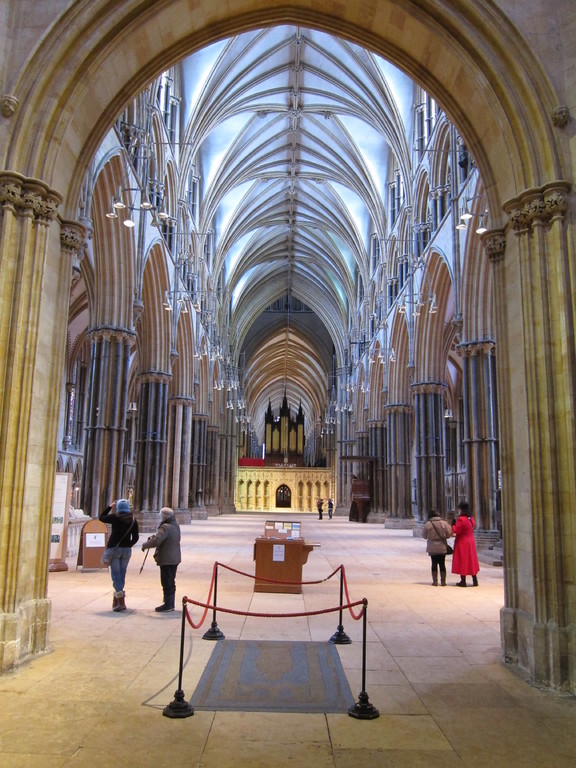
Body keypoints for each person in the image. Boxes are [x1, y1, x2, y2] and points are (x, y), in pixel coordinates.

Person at [99, 498, 139, 611]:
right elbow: (136, 537)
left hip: (115, 549)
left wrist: (109, 507)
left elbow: (101, 517)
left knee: (116, 574)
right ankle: (117, 599)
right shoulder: (133, 520)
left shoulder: (115, 518)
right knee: (122, 573)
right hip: (126, 551)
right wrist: (128, 544)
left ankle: (121, 601)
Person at [142, 506, 181, 612]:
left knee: (166, 581)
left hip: (167, 558)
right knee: (171, 580)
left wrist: (145, 545)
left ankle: (168, 604)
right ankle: (170, 602)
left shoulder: (165, 527)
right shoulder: (175, 525)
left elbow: (157, 540)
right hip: (175, 557)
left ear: (165, 516)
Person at [451, 501, 480, 586]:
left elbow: (456, 530)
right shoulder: (470, 518)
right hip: (470, 541)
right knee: (471, 560)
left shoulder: (461, 519)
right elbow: (473, 526)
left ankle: (463, 581)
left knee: (463, 560)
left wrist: (453, 525)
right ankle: (475, 580)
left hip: (462, 542)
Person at [422, 509, 454, 586]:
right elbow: (449, 534)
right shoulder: (444, 523)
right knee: (442, 563)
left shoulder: (428, 524)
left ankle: (435, 581)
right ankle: (443, 581)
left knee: (434, 563)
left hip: (432, 546)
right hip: (442, 545)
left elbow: (424, 536)